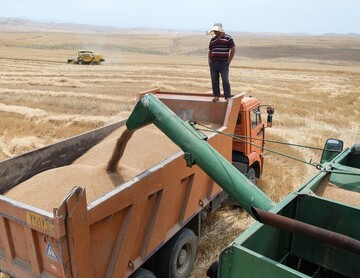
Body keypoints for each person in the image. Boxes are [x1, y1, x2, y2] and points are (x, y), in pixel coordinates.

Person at [208, 23, 236, 102]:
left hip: (223, 63)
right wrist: (209, 60)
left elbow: (233, 48)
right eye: (214, 31)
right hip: (213, 63)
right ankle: (216, 95)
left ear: (220, 30)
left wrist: (229, 61)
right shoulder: (213, 40)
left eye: (216, 31)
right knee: (214, 80)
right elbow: (210, 50)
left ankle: (227, 97)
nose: (215, 32)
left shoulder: (228, 38)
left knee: (225, 80)